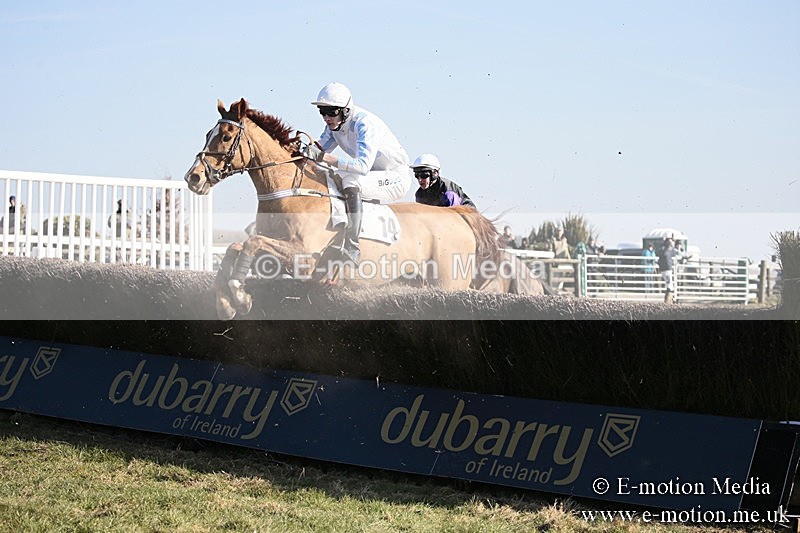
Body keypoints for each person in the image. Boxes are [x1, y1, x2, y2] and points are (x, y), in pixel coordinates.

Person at [299, 82, 413, 263]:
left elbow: (362, 166)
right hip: (373, 176)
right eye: (322, 111)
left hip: (395, 178)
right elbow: (318, 151)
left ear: (345, 111)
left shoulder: (364, 123)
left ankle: (352, 246)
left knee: (351, 180)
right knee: (330, 176)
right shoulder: (334, 126)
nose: (326, 117)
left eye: (331, 112)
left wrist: (323, 157)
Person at [411, 154, 475, 208]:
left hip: (468, 216)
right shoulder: (419, 194)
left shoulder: (448, 192)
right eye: (416, 175)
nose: (420, 180)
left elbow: (454, 217)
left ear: (435, 174)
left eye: (423, 175)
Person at [658, 238, 683, 302]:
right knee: (669, 285)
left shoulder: (666, 249)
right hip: (666, 269)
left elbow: (679, 255)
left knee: (669, 284)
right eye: (671, 242)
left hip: (666, 269)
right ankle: (668, 301)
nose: (672, 243)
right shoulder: (668, 250)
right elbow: (679, 255)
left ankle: (669, 300)